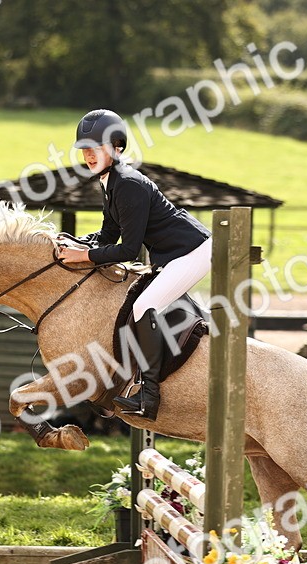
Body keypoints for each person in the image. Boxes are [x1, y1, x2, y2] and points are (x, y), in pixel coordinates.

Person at [56, 109, 212, 422]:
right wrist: (75, 243)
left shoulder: (128, 184)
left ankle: (149, 395)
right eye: (85, 149)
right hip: (175, 253)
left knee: (144, 306)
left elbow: (128, 249)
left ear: (116, 147)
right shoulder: (109, 182)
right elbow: (107, 235)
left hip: (193, 251)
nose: (88, 154)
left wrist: (82, 257)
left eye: (95, 148)